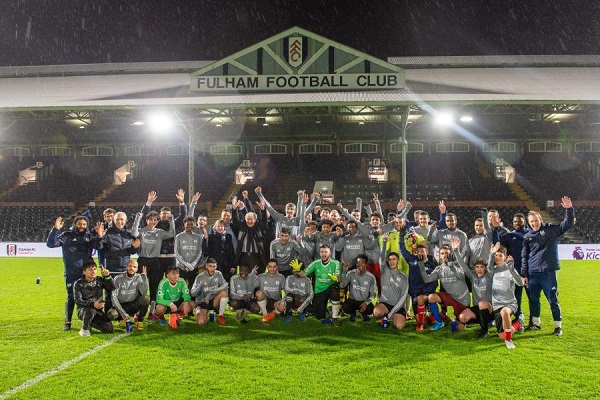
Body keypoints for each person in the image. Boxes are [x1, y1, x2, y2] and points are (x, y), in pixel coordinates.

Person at [522, 196, 574, 336]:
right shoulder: (527, 236)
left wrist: (569, 210)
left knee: (552, 299)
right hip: (533, 273)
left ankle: (558, 326)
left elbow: (567, 224)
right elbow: (524, 257)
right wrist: (525, 274)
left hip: (548, 272)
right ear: (529, 223)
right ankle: (535, 323)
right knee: (533, 299)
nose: (534, 224)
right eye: (531, 222)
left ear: (541, 219)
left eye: (536, 221)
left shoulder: (551, 230)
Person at [46, 215, 103, 331]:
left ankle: (91, 320)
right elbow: (51, 244)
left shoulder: (89, 236)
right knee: (71, 296)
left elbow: (99, 246)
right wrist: (55, 230)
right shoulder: (67, 236)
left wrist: (99, 236)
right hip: (71, 272)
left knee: (90, 297)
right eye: (79, 224)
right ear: (74, 224)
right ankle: (68, 321)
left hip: (87, 273)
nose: (82, 226)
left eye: (84, 224)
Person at [417, 240, 470, 331]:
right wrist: (421, 264)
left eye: (446, 253)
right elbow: (427, 279)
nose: (444, 255)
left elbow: (461, 276)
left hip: (462, 299)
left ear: (450, 254)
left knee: (460, 328)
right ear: (439, 255)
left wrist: (451, 265)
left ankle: (458, 319)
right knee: (431, 297)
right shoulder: (439, 269)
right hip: (450, 296)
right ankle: (439, 322)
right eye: (442, 253)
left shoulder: (457, 265)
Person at [131, 210, 175, 303]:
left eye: (155, 220)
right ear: (147, 220)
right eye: (150, 219)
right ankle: (138, 306)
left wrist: (171, 220)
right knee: (139, 284)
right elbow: (134, 233)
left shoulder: (160, 232)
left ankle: (152, 306)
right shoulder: (142, 231)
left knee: (154, 285)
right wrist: (137, 218)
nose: (153, 221)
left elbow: (172, 233)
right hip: (142, 261)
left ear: (157, 221)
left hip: (155, 261)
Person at [489, 243, 524, 349]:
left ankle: (509, 341)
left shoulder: (510, 269)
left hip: (510, 303)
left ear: (505, 257)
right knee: (501, 336)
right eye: (496, 255)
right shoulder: (493, 270)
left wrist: (512, 268)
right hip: (497, 305)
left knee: (504, 312)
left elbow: (521, 283)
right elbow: (488, 267)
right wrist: (491, 253)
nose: (498, 257)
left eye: (500, 255)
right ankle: (519, 322)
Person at [398, 239, 438, 332]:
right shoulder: (412, 260)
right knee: (422, 321)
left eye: (422, 251)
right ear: (415, 253)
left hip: (428, 293)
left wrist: (425, 292)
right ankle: (426, 316)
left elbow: (435, 282)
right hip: (416, 294)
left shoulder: (432, 262)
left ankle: (429, 311)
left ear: (426, 252)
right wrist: (401, 238)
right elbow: (403, 251)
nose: (420, 253)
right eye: (418, 252)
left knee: (422, 300)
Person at [499, 212, 529, 331]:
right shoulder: (510, 235)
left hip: (528, 272)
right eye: (515, 221)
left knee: (532, 297)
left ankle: (534, 320)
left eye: (520, 221)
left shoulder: (530, 234)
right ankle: (518, 318)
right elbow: (498, 242)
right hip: (514, 273)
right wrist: (496, 228)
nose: (517, 223)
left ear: (524, 222)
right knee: (517, 297)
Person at [374, 236, 410, 330]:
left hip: (398, 306)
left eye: (394, 259)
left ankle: (394, 317)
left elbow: (403, 298)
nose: (392, 261)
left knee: (399, 326)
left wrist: (391, 313)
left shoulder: (404, 277)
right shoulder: (385, 270)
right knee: (376, 312)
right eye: (390, 259)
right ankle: (384, 316)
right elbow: (381, 257)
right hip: (385, 304)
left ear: (398, 261)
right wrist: (385, 242)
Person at [73, 260, 115, 337]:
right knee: (91, 309)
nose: (93, 271)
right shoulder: (78, 283)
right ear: (84, 272)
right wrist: (93, 304)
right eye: (90, 269)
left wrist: (108, 277)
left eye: (95, 269)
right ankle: (85, 329)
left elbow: (112, 288)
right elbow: (78, 301)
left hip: (97, 310)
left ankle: (90, 323)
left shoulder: (99, 280)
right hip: (83, 310)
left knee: (109, 329)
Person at [304, 244, 342, 326]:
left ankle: (335, 317)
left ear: (330, 253)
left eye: (326, 252)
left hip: (331, 287)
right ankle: (329, 310)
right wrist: (298, 270)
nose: (323, 254)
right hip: (319, 290)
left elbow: (339, 278)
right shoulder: (315, 263)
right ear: (319, 253)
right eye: (322, 252)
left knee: (335, 292)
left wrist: (336, 278)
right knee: (320, 316)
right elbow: (303, 274)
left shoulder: (336, 263)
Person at [106, 260, 150, 331]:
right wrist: (123, 314)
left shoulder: (139, 277)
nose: (132, 268)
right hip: (120, 305)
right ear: (126, 267)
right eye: (130, 266)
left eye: (134, 267)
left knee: (145, 299)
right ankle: (124, 320)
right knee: (111, 315)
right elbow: (113, 298)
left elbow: (144, 293)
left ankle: (140, 321)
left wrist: (144, 279)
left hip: (132, 305)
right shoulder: (118, 278)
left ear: (137, 269)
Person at [232, 200, 269, 271]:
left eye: (251, 219)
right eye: (247, 219)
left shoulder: (259, 227)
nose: (249, 221)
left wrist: (263, 210)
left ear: (255, 220)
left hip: (256, 256)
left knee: (256, 276)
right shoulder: (242, 227)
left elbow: (264, 221)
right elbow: (235, 220)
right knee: (244, 275)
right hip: (243, 256)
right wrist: (234, 210)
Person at [191, 258, 229, 325]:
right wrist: (200, 285)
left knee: (224, 293)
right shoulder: (199, 277)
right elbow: (193, 294)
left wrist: (211, 292)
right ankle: (200, 311)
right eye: (210, 266)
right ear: (206, 266)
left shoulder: (218, 274)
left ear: (216, 266)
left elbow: (225, 286)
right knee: (200, 322)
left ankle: (220, 315)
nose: (212, 268)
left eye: (214, 266)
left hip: (214, 301)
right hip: (203, 302)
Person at [340, 254, 376, 322]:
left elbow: (373, 294)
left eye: (362, 262)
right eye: (358, 262)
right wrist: (344, 271)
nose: (360, 264)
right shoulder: (351, 273)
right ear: (356, 264)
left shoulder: (371, 277)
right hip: (352, 300)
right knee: (345, 306)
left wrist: (366, 303)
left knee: (370, 309)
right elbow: (342, 285)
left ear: (366, 264)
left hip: (363, 301)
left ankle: (363, 313)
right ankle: (353, 313)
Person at [174, 216, 205, 290]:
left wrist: (193, 264)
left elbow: (199, 252)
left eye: (191, 224)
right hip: (181, 267)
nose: (189, 226)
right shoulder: (179, 236)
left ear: (194, 225)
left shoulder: (198, 237)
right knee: (180, 289)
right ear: (184, 224)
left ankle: (192, 301)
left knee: (193, 288)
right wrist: (186, 264)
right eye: (188, 224)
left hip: (193, 268)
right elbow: (176, 252)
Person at [283, 259, 314, 323]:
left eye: (296, 269)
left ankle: (302, 313)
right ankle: (288, 314)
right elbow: (287, 290)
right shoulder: (289, 278)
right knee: (289, 296)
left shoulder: (307, 279)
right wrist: (298, 291)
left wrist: (301, 308)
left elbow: (311, 294)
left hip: (303, 302)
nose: (294, 271)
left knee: (311, 308)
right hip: (293, 301)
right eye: (293, 269)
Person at [206, 219, 236, 283]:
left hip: (227, 263)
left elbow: (231, 251)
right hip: (215, 263)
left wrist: (233, 265)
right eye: (218, 226)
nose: (220, 228)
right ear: (215, 227)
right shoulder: (211, 236)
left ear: (224, 227)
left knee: (226, 281)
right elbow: (209, 251)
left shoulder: (228, 236)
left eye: (221, 226)